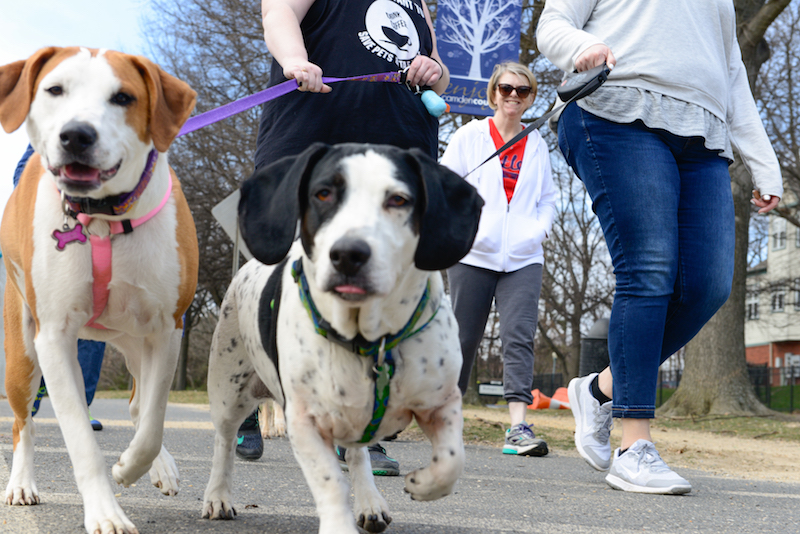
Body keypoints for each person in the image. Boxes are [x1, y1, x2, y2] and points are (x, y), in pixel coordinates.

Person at [536, 0, 782, 494]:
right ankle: (634, 447)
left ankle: (601, 388)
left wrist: (764, 161)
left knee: (709, 284)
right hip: (617, 111)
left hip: (702, 133)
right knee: (649, 270)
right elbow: (553, 24)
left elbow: (733, 73)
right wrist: (583, 46)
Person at [236, 0, 450, 475]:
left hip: (397, 147)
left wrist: (433, 70)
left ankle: (363, 426)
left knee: (381, 294)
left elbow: (438, 70)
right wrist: (294, 60)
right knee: (273, 273)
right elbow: (277, 14)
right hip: (310, 138)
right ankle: (249, 395)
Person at [440, 62, 556, 457]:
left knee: (518, 337)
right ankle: (446, 421)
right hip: (473, 254)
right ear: (493, 93)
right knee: (462, 338)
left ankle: (518, 427)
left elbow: (548, 200)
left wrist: (535, 232)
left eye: (522, 91)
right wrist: (464, 231)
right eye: (506, 88)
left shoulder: (536, 144)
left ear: (530, 99)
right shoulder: (469, 136)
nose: (513, 96)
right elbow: (445, 187)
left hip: (523, 258)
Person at [12, 144, 107, 431]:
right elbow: (22, 176)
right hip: (54, 233)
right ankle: (31, 396)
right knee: (46, 321)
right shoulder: (53, 131)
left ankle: (81, 405)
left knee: (95, 322)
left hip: (102, 234)